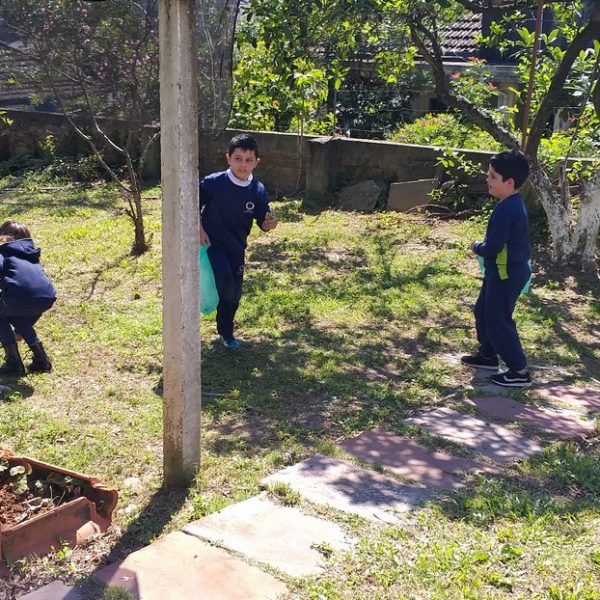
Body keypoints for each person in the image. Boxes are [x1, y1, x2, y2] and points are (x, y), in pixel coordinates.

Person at [199, 133, 278, 349]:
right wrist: (199, 228)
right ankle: (211, 313)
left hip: (237, 248)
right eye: (238, 159)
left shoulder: (257, 190)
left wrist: (269, 224)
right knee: (225, 282)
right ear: (228, 158)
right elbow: (191, 205)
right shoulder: (213, 183)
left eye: (248, 160)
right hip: (213, 245)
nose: (243, 165)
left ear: (256, 163)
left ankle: (226, 331)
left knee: (235, 293)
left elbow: (263, 219)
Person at [461, 150, 532, 387]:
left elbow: (492, 247)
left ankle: (519, 371)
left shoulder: (507, 209)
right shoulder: (510, 203)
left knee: (498, 320)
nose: (487, 179)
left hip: (506, 274)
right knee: (483, 312)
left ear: (509, 182)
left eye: (493, 176)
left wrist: (476, 247)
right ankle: (488, 356)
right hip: (501, 271)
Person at [0, 221, 56, 375]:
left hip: (18, 296)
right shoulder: (30, 252)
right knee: (13, 313)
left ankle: (13, 363)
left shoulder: (3, 250)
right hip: (46, 296)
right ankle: (41, 360)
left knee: (3, 313)